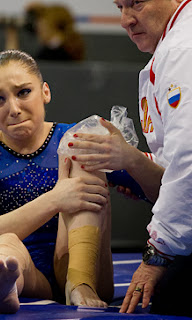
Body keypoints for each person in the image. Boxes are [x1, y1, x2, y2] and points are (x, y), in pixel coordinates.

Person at [0, 49, 113, 314]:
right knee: (5, 246)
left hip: (86, 266)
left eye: (23, 92)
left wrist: (128, 158)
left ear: (45, 92)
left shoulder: (72, 136)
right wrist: (54, 199)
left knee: (80, 145)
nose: (14, 109)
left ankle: (80, 282)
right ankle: (4, 289)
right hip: (28, 272)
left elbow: (153, 187)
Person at [66, 0, 192, 317]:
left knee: (167, 297)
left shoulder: (182, 50)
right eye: (120, 6)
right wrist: (135, 162)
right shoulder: (169, 51)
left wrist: (157, 255)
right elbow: (173, 161)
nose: (125, 20)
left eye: (136, 3)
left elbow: (187, 163)